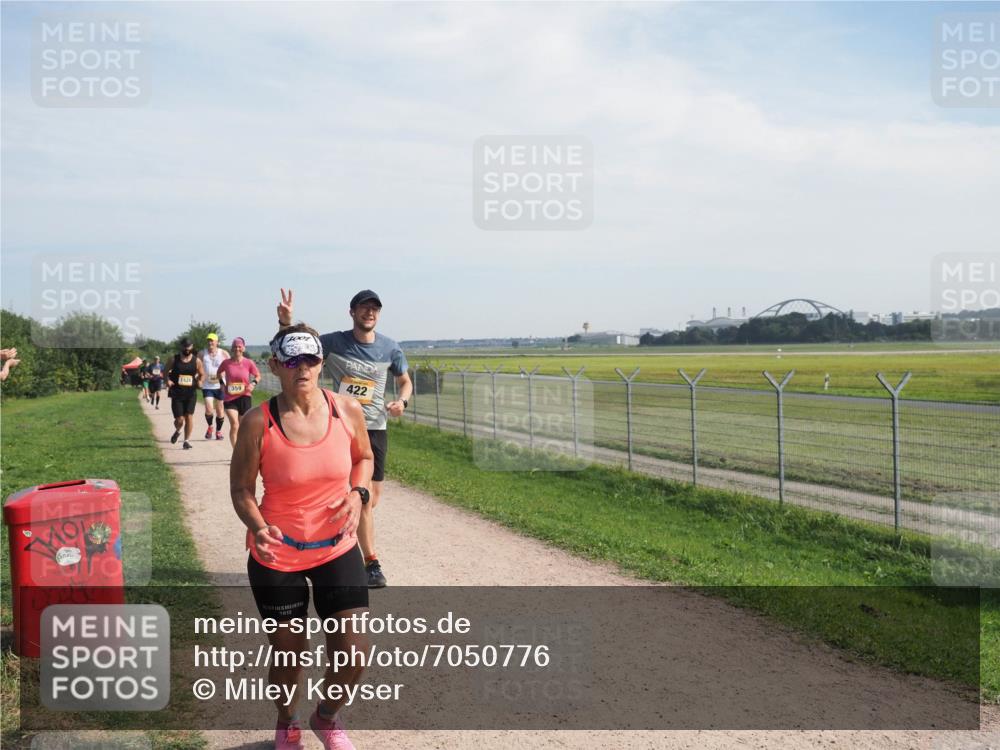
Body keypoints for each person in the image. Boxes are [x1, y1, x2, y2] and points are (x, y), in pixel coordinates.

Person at [230, 324, 373, 750]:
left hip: (337, 547)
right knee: (290, 657)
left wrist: (358, 493)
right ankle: (287, 721)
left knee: (354, 653)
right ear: (275, 366)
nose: (302, 368)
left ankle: (326, 718)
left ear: (321, 362)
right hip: (279, 555)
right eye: (291, 361)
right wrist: (257, 527)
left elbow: (363, 457)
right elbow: (241, 491)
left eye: (310, 359)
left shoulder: (346, 410)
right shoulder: (259, 421)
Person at [277, 288, 411, 589]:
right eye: (364, 308)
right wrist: (286, 324)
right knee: (360, 497)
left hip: (376, 428)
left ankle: (343, 538)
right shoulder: (334, 342)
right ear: (352, 312)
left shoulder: (391, 348)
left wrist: (402, 402)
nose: (370, 313)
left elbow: (405, 381)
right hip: (343, 425)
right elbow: (299, 349)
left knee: (371, 499)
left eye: (375, 308)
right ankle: (370, 562)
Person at [217, 336, 260, 448]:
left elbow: (258, 375)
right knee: (234, 424)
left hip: (245, 396)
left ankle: (243, 449)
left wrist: (253, 383)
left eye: (239, 347)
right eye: (235, 347)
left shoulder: (249, 363)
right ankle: (236, 452)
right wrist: (222, 383)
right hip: (229, 398)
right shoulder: (226, 363)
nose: (237, 349)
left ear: (243, 348)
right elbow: (218, 373)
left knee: (243, 426)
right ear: (232, 349)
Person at [167, 338, 204, 450]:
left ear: (191, 347)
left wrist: (200, 382)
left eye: (189, 346)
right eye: (185, 346)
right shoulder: (174, 359)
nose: (187, 348)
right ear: (181, 347)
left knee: (189, 416)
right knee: (179, 420)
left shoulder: (196, 361)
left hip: (190, 393)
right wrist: (167, 380)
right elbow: (165, 372)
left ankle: (186, 441)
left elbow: (202, 374)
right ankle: (178, 430)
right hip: (176, 393)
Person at [200, 333, 230, 440]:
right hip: (207, 385)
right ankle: (210, 427)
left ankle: (218, 431)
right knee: (208, 408)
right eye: (208, 340)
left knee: (220, 409)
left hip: (220, 385)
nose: (210, 343)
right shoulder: (202, 353)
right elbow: (197, 365)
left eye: (212, 340)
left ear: (217, 342)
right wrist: (198, 377)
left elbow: (230, 365)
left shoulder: (223, 353)